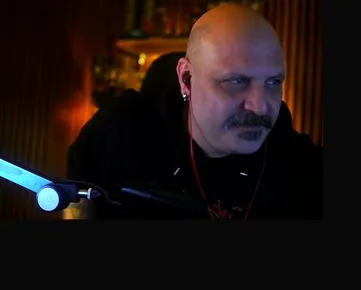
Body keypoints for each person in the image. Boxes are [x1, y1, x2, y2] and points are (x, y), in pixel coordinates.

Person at [66, 3, 321, 219]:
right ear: (187, 79)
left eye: (273, 82)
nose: (260, 106)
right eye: (236, 81)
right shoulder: (116, 135)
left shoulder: (303, 168)